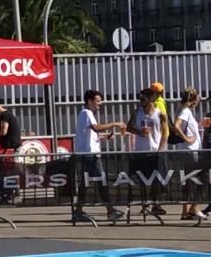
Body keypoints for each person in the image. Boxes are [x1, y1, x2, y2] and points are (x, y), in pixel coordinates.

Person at [73, 89, 127, 224]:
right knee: (101, 181)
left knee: (85, 184)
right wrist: (115, 124)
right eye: (97, 101)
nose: (100, 104)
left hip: (86, 154)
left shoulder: (84, 114)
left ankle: (78, 211)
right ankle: (110, 210)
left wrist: (104, 137)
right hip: (90, 155)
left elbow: (90, 135)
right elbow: (96, 128)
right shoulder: (87, 113)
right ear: (89, 101)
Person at [125, 87, 168, 217]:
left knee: (156, 179)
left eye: (143, 99)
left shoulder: (160, 114)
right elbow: (128, 127)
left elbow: (165, 132)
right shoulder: (136, 112)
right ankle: (145, 204)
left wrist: (160, 149)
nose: (140, 101)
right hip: (140, 151)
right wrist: (139, 132)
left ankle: (155, 203)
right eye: (140, 98)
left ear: (151, 99)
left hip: (154, 151)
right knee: (142, 179)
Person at [170, 87, 205, 220]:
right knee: (199, 179)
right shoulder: (185, 111)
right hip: (189, 150)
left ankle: (186, 210)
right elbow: (176, 126)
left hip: (188, 150)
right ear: (193, 99)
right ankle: (194, 208)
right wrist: (187, 139)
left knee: (189, 180)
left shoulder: (184, 110)